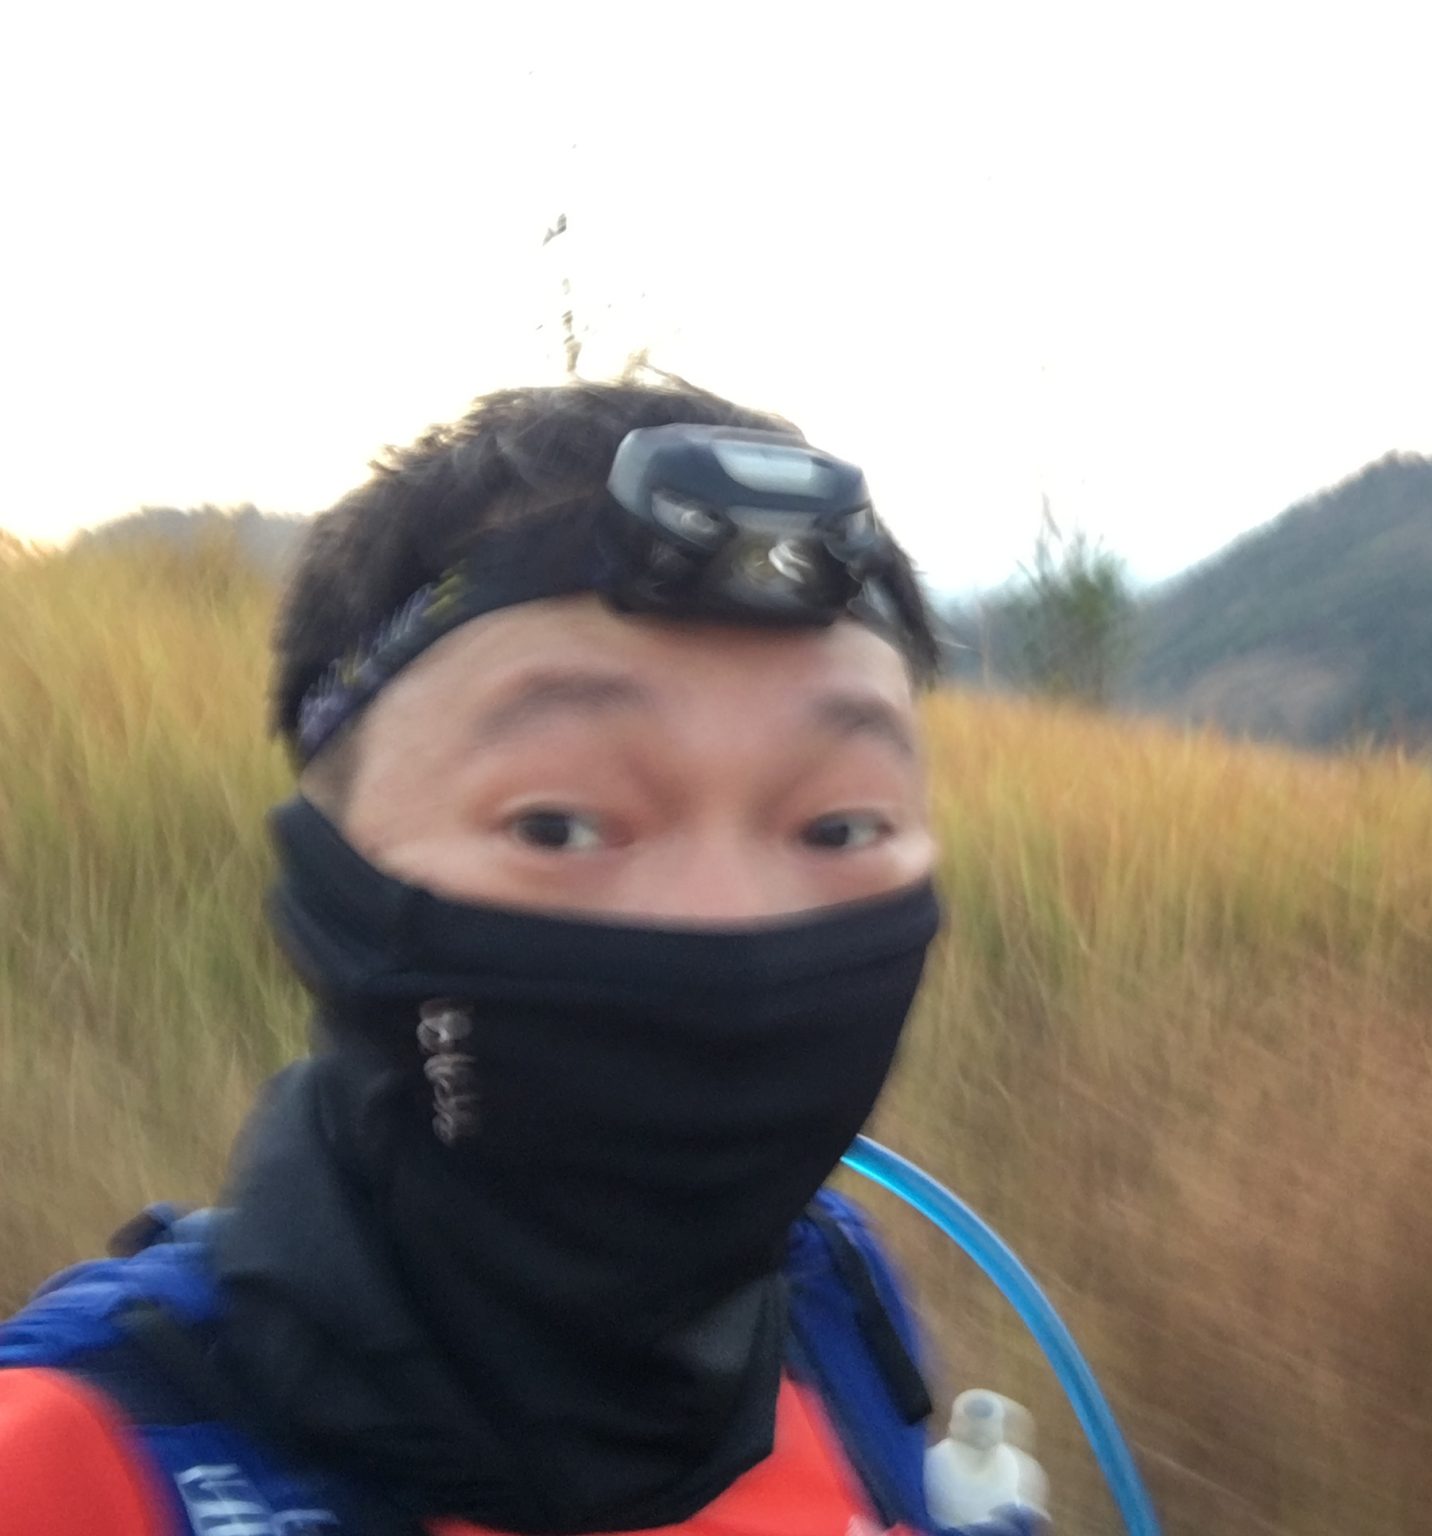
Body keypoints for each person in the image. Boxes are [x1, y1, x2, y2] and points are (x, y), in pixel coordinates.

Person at [0, 374, 1040, 1536]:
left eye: (838, 828)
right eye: (557, 825)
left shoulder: (825, 1290)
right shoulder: (67, 1466)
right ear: (328, 880)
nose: (730, 926)